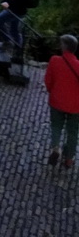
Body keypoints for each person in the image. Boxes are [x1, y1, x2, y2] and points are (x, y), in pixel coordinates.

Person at [45, 34, 79, 168]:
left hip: (57, 102)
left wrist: (51, 91)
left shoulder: (54, 60)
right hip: (76, 106)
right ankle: (69, 158)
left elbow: (48, 80)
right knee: (73, 132)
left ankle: (55, 149)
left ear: (65, 47)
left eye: (61, 44)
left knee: (56, 127)